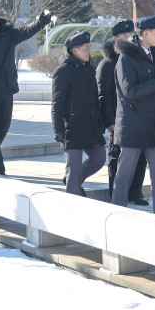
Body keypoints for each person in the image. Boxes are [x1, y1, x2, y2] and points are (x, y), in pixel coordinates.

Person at [0, 3, 53, 175]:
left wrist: (41, 22)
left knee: (3, 129)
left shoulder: (7, 34)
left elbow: (25, 31)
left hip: (6, 89)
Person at [111, 14, 155, 215]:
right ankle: (116, 213)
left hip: (153, 125)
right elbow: (129, 91)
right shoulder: (126, 57)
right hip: (133, 126)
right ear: (145, 34)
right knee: (124, 174)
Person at [97, 20, 148, 202]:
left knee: (141, 157)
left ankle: (135, 192)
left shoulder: (138, 59)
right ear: (115, 39)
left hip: (138, 118)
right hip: (118, 121)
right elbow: (104, 95)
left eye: (130, 36)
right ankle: (116, 193)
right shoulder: (107, 64)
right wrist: (110, 121)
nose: (129, 40)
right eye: (124, 37)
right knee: (116, 158)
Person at [52, 31, 107, 196]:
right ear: (74, 50)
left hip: (90, 127)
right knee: (73, 171)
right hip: (71, 128)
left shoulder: (89, 69)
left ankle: (72, 180)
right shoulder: (63, 71)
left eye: (89, 48)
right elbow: (57, 104)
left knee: (99, 159)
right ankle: (72, 203)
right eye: (85, 48)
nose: (89, 52)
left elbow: (94, 99)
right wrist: (59, 130)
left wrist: (99, 123)